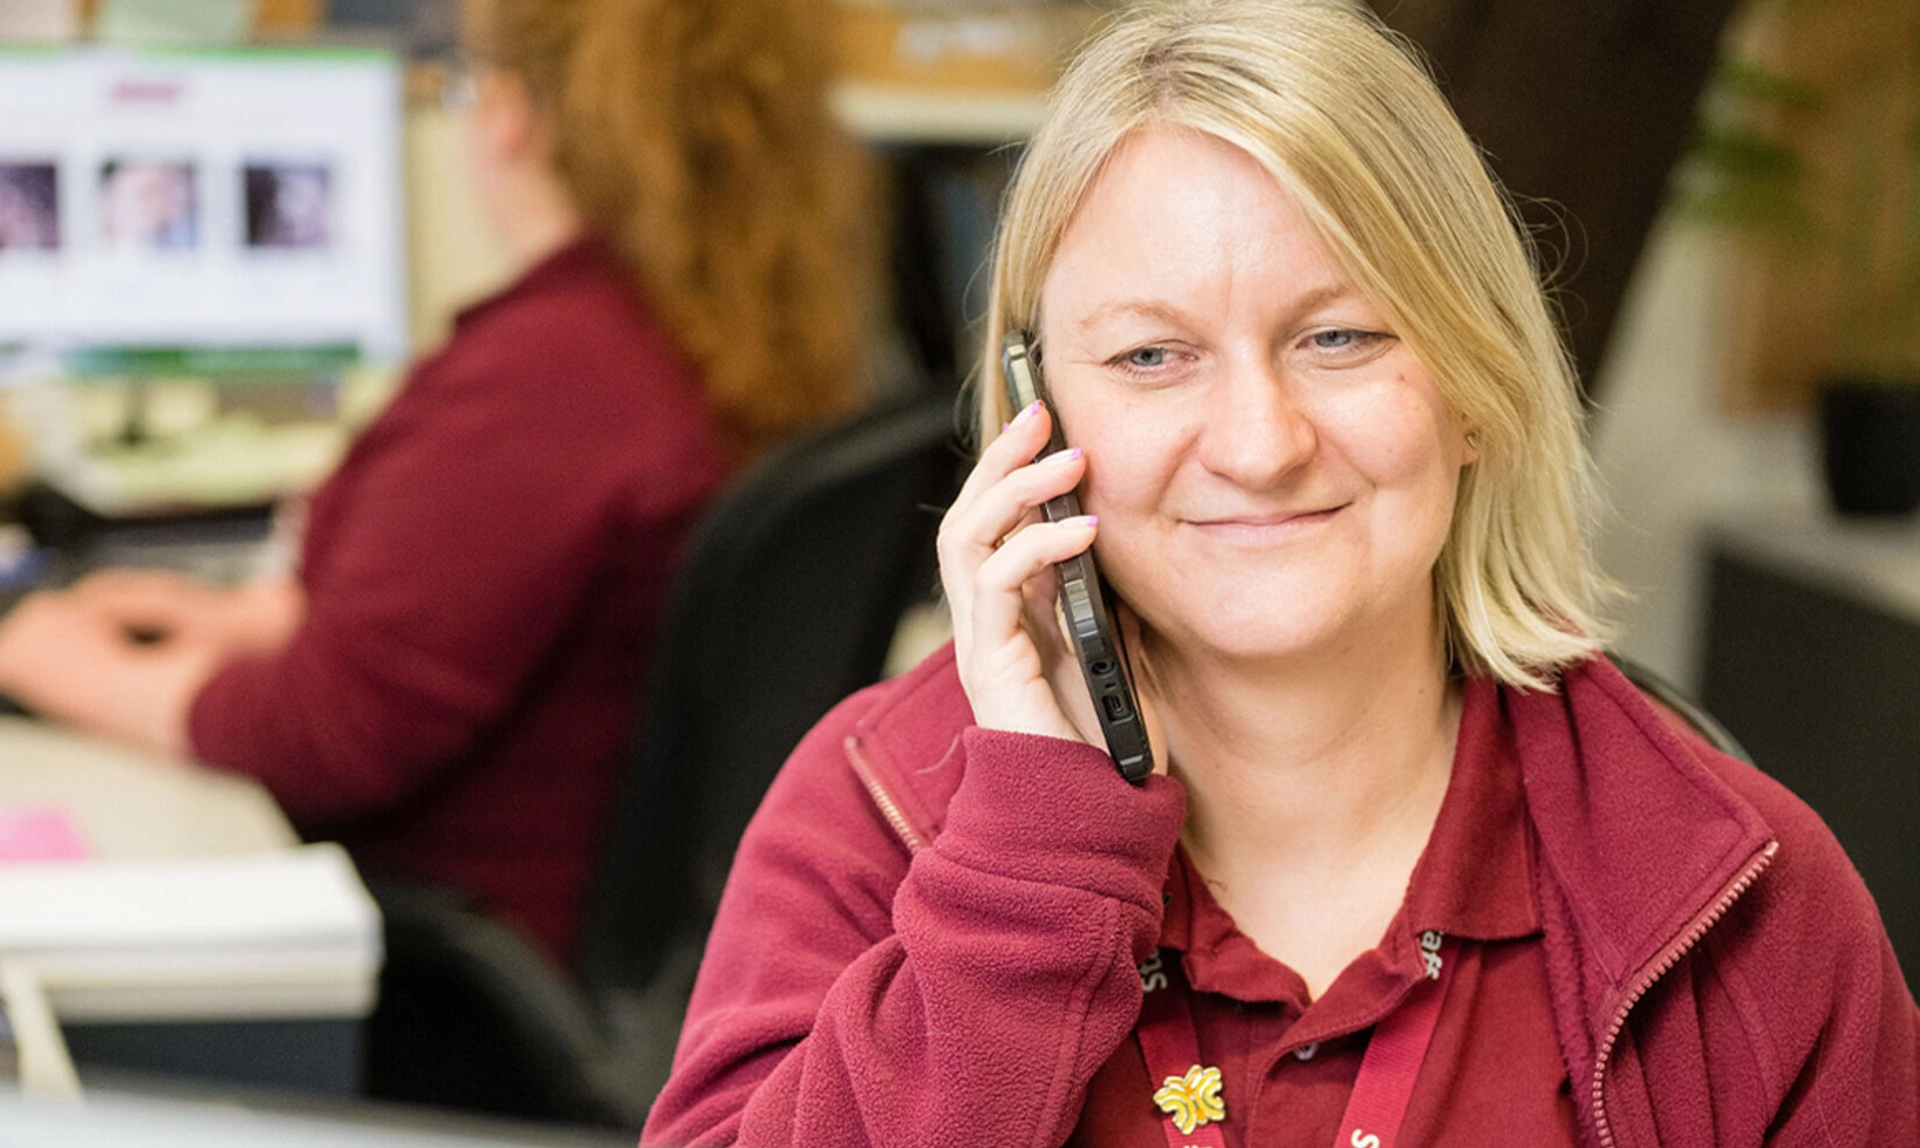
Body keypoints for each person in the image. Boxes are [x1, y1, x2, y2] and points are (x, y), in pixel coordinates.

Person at [644, 1, 1920, 1143]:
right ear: (1038, 419)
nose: (1260, 444)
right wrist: (1029, 866)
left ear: (1474, 388)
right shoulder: (876, 813)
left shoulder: (1743, 891)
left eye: (1341, 335)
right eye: (1152, 355)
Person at [0, 0, 871, 967]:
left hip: (458, 965)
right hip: (603, 936)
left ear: (508, 111)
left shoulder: (552, 376)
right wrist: (240, 621)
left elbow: (320, 735)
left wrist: (41, 656)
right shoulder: (707, 335)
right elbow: (483, 616)